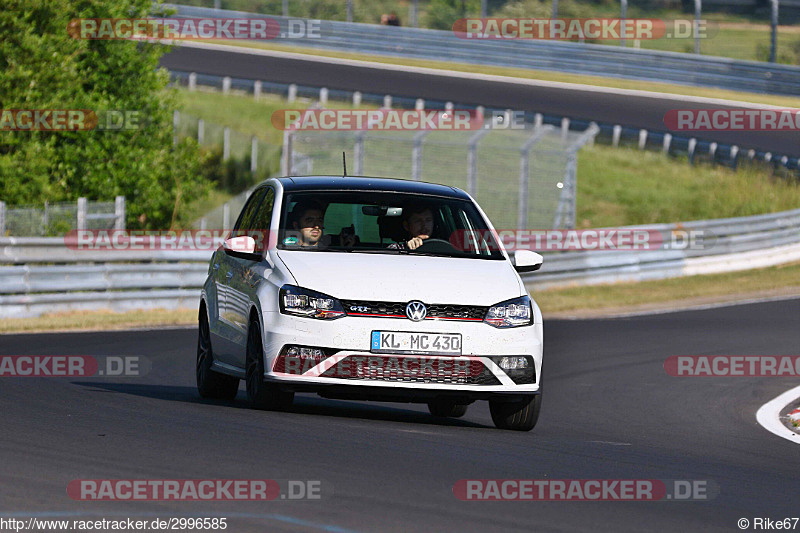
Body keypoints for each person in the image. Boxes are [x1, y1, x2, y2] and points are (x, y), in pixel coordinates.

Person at [288, 200, 357, 248]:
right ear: (296, 225)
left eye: (320, 220)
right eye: (310, 220)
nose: (316, 226)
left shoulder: (329, 251)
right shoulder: (284, 252)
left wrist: (345, 249)